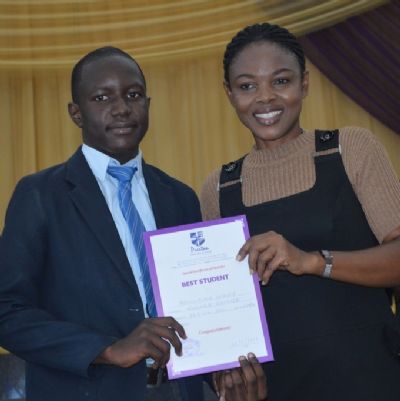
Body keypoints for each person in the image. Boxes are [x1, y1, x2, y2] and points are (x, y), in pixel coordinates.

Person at [200, 23, 400, 401]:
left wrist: (311, 261)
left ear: (305, 83)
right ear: (229, 94)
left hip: (371, 379)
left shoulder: (350, 149)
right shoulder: (218, 188)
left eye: (281, 81)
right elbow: (221, 308)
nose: (265, 98)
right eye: (247, 86)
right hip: (277, 388)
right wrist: (227, 373)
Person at [0, 47, 205, 401]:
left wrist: (228, 367)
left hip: (178, 391)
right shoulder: (40, 195)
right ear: (76, 113)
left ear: (148, 104)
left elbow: (199, 299)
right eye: (102, 97)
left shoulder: (180, 196)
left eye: (133, 94)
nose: (122, 108)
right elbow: (7, 311)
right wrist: (107, 349)